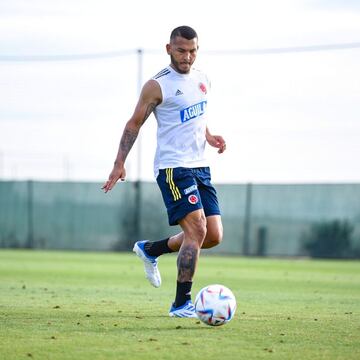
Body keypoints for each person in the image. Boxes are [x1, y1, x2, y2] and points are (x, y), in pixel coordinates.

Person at [102, 25, 226, 318]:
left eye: (193, 50)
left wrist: (208, 136)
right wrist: (119, 163)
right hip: (173, 167)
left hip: (199, 166)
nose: (188, 57)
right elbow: (134, 124)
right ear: (169, 49)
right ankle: (181, 303)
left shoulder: (202, 78)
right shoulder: (157, 85)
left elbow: (198, 113)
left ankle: (151, 249)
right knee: (197, 229)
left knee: (213, 235)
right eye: (181, 50)